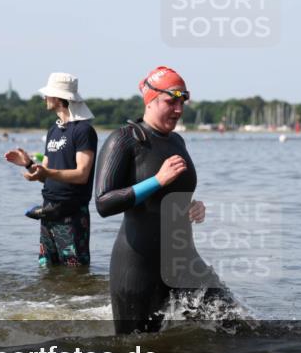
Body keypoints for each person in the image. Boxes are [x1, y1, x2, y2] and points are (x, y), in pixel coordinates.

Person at [95, 66, 230, 334]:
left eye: (183, 102)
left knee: (236, 325)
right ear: (150, 100)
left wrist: (192, 205)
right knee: (137, 352)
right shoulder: (124, 140)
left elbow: (172, 191)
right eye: (171, 101)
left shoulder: (177, 141)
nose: (179, 109)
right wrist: (157, 180)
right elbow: (103, 202)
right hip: (138, 267)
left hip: (184, 261)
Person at [4, 73, 97, 267]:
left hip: (72, 213)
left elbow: (82, 175)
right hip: (48, 210)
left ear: (58, 97)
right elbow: (45, 174)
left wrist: (47, 173)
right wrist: (30, 165)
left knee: (75, 271)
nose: (44, 98)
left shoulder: (83, 131)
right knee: (46, 268)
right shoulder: (53, 130)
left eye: (48, 94)